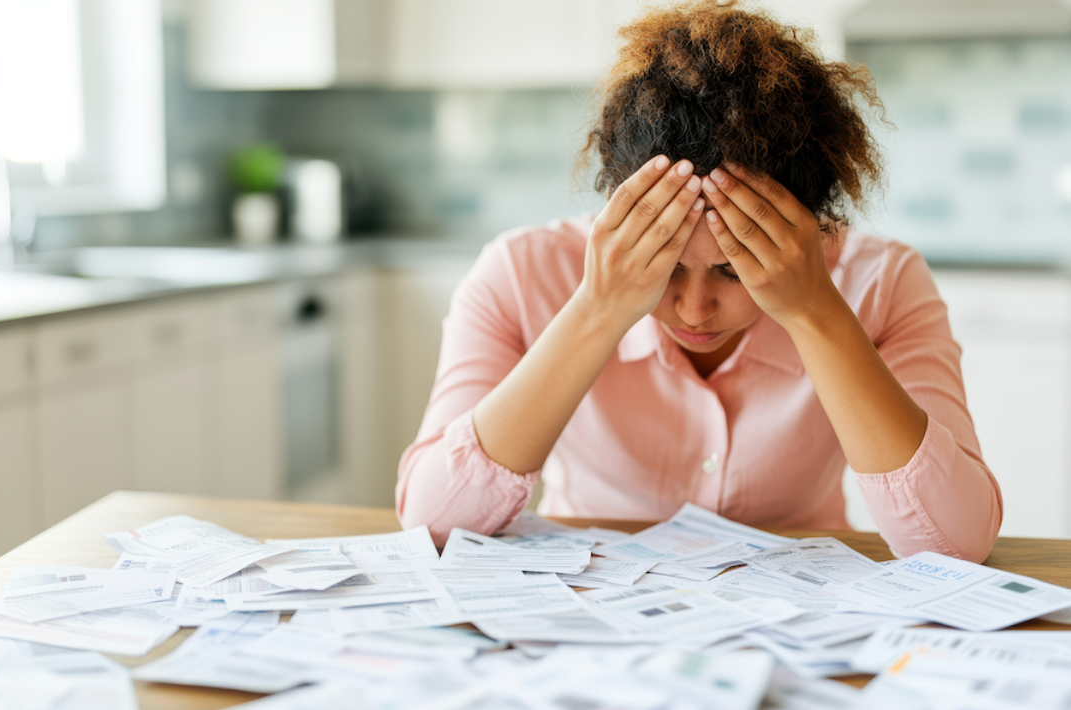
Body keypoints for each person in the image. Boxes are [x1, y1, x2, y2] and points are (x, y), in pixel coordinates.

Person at [396, 0, 1002, 562]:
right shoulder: (518, 273)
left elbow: (954, 545)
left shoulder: (886, 283)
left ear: (817, 231)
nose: (693, 309)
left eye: (734, 269)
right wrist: (599, 310)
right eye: (662, 265)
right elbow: (433, 525)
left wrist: (815, 311)